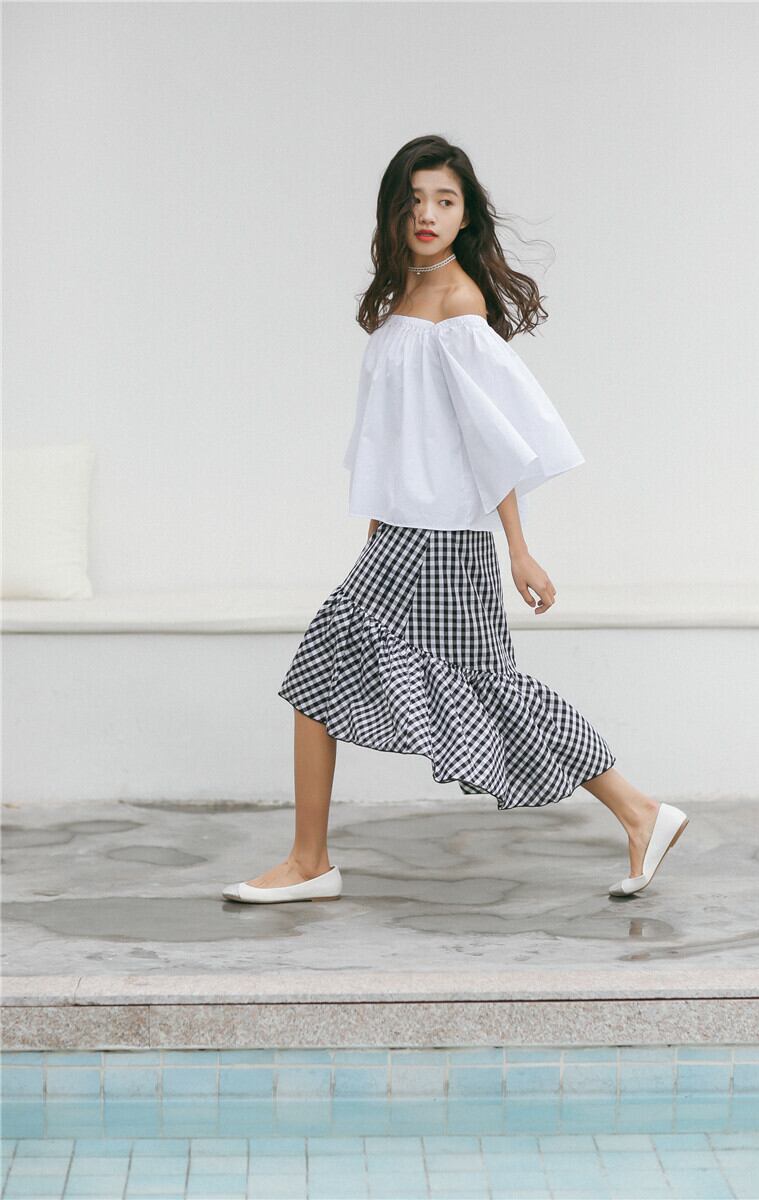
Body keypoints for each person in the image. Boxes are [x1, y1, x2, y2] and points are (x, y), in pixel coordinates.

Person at [222, 136, 689, 905]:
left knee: (469, 687)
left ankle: (637, 811)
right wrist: (376, 527)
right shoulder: (401, 301)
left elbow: (489, 436)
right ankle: (637, 812)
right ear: (395, 211)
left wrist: (520, 549)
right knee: (352, 676)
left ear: (465, 215)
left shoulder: (458, 304)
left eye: (445, 200)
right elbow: (393, 435)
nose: (428, 214)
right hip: (403, 534)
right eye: (415, 200)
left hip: (443, 542)